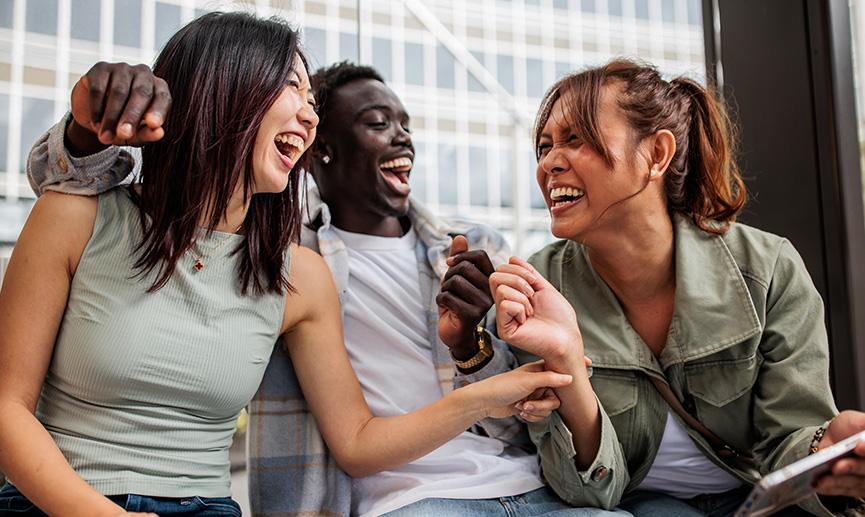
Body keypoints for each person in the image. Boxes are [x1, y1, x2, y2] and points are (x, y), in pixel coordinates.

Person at [0, 13, 575, 516]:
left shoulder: (297, 275)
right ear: (225, 88)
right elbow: (7, 408)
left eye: (313, 104)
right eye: (292, 89)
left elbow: (356, 441)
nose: (309, 116)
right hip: (53, 501)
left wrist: (485, 393)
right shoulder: (75, 216)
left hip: (207, 507)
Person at [445, 58, 865, 516]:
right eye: (544, 147)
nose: (550, 163)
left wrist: (828, 451)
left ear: (658, 155)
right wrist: (566, 359)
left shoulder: (766, 269)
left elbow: (790, 444)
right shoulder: (539, 289)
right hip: (641, 505)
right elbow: (585, 493)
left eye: (575, 139)